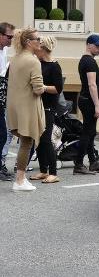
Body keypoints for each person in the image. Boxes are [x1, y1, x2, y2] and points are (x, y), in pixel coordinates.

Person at [7, 27, 46, 191]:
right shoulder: (33, 60)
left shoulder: (15, 58)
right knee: (26, 142)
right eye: (37, 39)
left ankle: (20, 178)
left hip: (14, 105)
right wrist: (44, 87)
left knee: (24, 141)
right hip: (27, 106)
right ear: (29, 42)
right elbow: (37, 89)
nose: (40, 42)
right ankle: (20, 180)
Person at [74, 34, 99, 175]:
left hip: (87, 100)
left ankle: (93, 162)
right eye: (97, 46)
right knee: (87, 133)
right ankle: (79, 164)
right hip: (89, 101)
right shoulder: (89, 62)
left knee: (91, 133)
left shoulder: (87, 60)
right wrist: (97, 106)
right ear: (88, 45)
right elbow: (92, 85)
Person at [30, 36, 63, 183]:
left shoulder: (55, 66)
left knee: (46, 139)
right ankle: (43, 170)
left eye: (38, 47)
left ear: (44, 49)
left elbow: (58, 88)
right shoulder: (38, 63)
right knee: (37, 139)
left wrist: (42, 88)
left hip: (48, 106)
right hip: (37, 105)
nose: (36, 50)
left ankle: (53, 172)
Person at [0, 22, 15, 181]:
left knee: (3, 134)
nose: (11, 40)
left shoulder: (4, 50)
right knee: (2, 134)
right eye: (9, 37)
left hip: (2, 98)